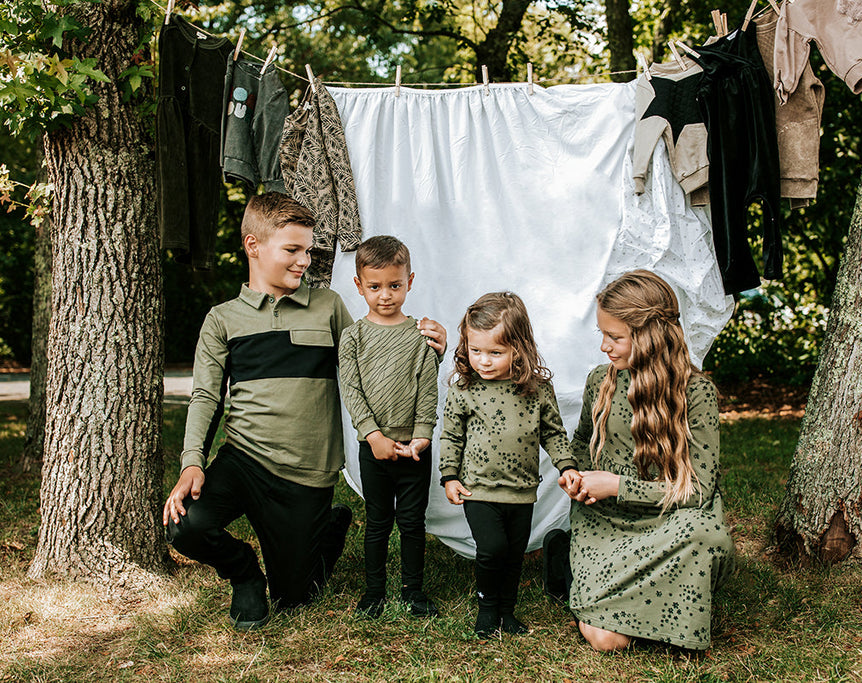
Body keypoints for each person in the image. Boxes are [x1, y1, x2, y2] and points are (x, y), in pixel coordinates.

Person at [162, 194, 446, 630]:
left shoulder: (327, 306)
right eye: (292, 250)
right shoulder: (223, 319)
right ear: (253, 245)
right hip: (244, 460)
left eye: (308, 250)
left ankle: (328, 530)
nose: (303, 261)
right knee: (186, 526)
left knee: (297, 596)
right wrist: (192, 463)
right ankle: (244, 574)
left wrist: (433, 350)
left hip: (307, 475)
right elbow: (205, 397)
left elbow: (373, 362)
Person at [554, 269, 735, 652]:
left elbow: (699, 490)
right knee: (607, 641)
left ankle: (642, 597)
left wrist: (620, 485)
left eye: (615, 337)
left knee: (706, 535)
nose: (604, 346)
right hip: (606, 519)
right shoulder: (600, 381)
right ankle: (575, 568)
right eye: (602, 334)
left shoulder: (696, 393)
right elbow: (582, 440)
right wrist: (573, 471)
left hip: (668, 517)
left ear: (650, 338)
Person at [439, 292, 581, 638]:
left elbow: (553, 433)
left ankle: (507, 613)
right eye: (476, 351)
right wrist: (449, 476)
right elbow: (451, 436)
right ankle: (487, 613)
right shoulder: (465, 388)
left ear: (519, 348)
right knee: (492, 550)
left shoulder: (536, 390)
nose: (483, 361)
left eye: (495, 352)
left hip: (521, 491)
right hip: (478, 488)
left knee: (514, 554)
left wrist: (566, 466)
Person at [339, 236, 441, 618]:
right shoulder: (353, 337)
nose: (385, 295)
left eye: (394, 286)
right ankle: (373, 592)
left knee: (413, 523)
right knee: (378, 523)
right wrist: (374, 436)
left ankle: (414, 591)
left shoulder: (420, 335)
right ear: (359, 285)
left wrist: (422, 436)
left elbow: (427, 388)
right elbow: (351, 389)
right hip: (375, 448)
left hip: (415, 448)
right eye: (375, 286)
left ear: (409, 282)